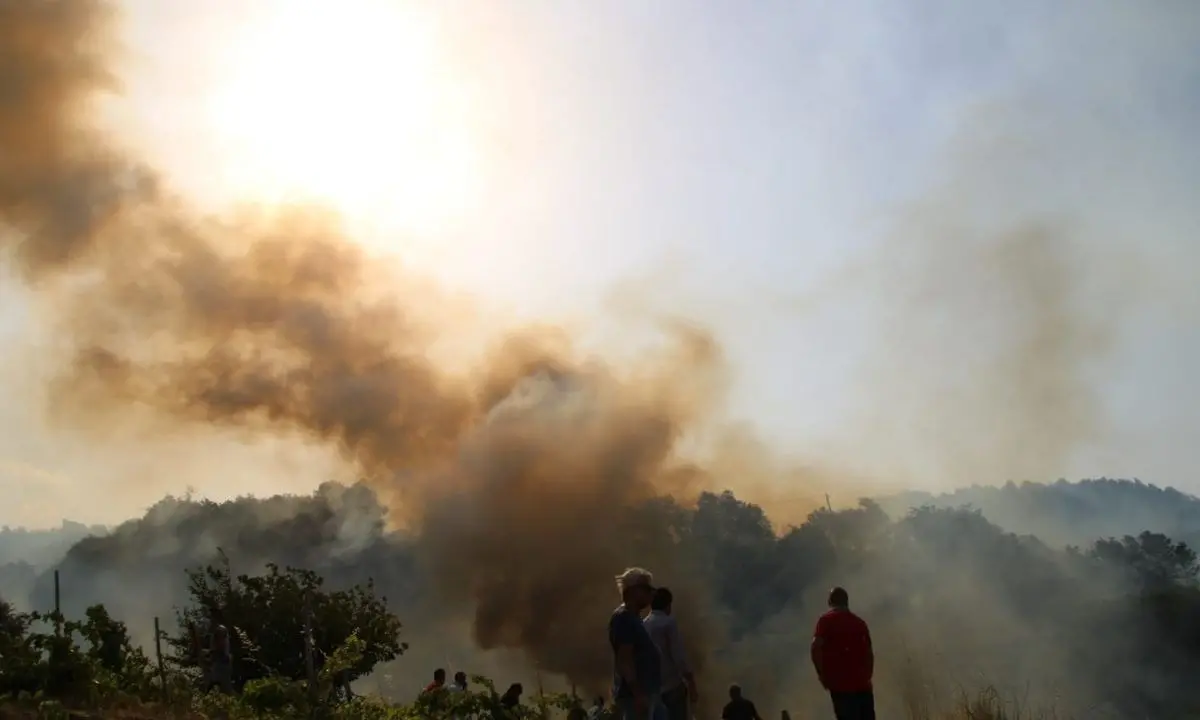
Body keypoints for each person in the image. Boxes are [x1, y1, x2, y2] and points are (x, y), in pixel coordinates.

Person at [609, 567, 666, 720]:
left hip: (647, 695)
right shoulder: (624, 618)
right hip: (636, 697)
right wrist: (639, 695)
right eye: (647, 589)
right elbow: (625, 660)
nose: (652, 593)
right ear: (634, 591)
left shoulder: (634, 618)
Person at [811, 587, 875, 720]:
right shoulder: (859, 623)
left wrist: (822, 675)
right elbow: (869, 653)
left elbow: (815, 647)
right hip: (863, 685)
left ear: (830, 602)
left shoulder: (825, 621)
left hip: (840, 685)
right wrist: (867, 676)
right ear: (847, 602)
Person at [643, 587, 698, 720]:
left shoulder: (643, 625)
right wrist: (690, 681)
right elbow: (678, 656)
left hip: (652, 690)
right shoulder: (668, 623)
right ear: (668, 604)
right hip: (672, 686)